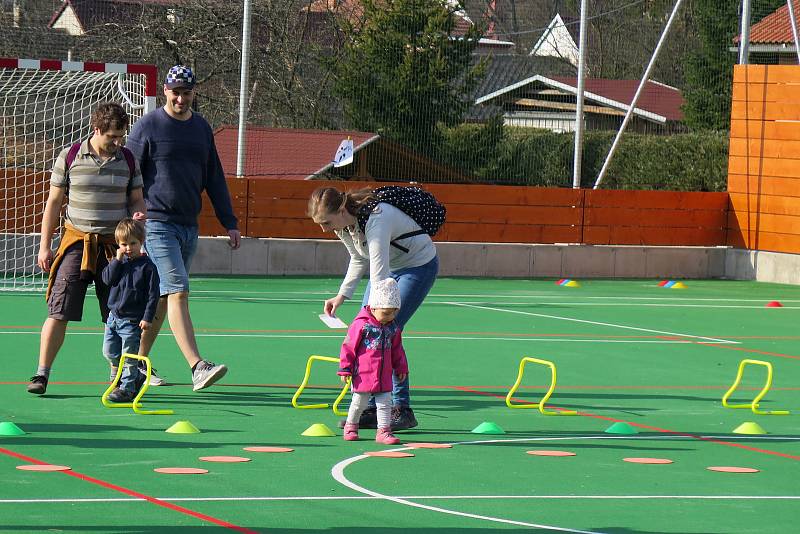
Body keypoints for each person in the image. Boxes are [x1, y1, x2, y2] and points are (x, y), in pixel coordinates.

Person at [126, 64, 240, 392]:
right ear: (165, 91)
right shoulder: (148, 126)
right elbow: (129, 173)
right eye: (175, 92)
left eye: (186, 93)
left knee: (163, 301)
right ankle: (197, 366)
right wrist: (129, 217)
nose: (180, 98)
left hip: (189, 226)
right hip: (156, 224)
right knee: (178, 290)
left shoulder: (202, 129)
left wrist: (229, 222)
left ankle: (133, 367)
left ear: (193, 93)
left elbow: (214, 177)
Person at [27, 102, 147, 395]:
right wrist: (45, 247)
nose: (118, 143)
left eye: (121, 136)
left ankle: (117, 374)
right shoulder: (70, 156)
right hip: (75, 243)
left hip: (114, 248)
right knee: (59, 310)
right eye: (112, 137)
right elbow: (54, 204)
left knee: (118, 313)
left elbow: (136, 200)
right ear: (96, 130)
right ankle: (41, 374)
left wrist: (139, 214)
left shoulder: (128, 160)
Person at [307, 186, 439, 430]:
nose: (323, 229)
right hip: (390, 269)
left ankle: (402, 409)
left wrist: (375, 316)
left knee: (385, 332)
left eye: (325, 222)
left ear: (341, 209)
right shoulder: (344, 226)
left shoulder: (377, 218)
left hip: (417, 266)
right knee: (369, 329)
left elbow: (379, 271)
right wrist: (341, 296)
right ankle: (372, 406)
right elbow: (359, 257)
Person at [339, 278, 408, 444]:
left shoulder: (393, 328)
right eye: (385, 313)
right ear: (373, 307)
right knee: (359, 403)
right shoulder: (361, 325)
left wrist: (401, 368)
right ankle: (351, 426)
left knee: (385, 404)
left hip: (383, 376)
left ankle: (383, 432)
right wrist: (345, 368)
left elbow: (398, 350)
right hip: (363, 375)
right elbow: (348, 347)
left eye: (393, 313)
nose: (389, 317)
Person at [102, 218, 160, 402]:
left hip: (131, 321)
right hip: (113, 317)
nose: (128, 248)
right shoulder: (119, 263)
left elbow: (153, 295)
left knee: (129, 356)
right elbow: (106, 280)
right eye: (124, 244)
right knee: (109, 352)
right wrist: (117, 260)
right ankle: (128, 378)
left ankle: (126, 388)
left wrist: (147, 317)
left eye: (133, 243)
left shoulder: (148, 267)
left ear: (141, 242)